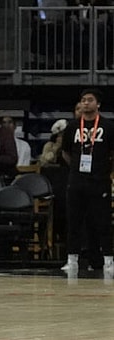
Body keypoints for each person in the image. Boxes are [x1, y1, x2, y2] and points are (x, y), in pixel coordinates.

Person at [60, 88, 114, 275]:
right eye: (83, 100)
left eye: (90, 100)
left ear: (98, 104)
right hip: (77, 180)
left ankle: (108, 260)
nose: (85, 103)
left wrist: (104, 169)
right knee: (74, 221)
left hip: (99, 180)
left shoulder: (108, 126)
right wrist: (76, 167)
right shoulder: (73, 126)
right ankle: (72, 259)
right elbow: (65, 152)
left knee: (103, 222)